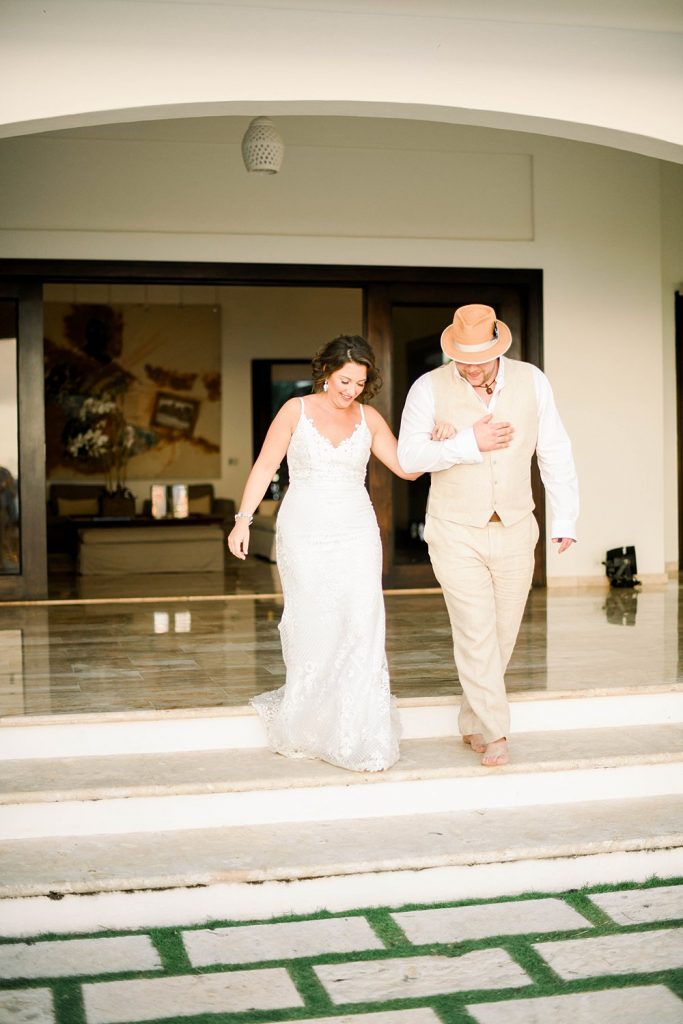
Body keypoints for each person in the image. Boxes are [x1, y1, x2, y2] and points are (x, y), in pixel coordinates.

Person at [228, 335, 454, 773]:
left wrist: (439, 438)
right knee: (313, 618)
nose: (350, 390)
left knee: (361, 619)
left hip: (355, 529)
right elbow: (265, 464)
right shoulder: (295, 410)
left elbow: (407, 468)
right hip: (304, 529)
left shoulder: (369, 418)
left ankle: (358, 727)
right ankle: (310, 719)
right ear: (326, 372)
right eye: (344, 380)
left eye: (359, 383)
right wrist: (243, 518)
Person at [397, 304, 578, 767]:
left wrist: (565, 519)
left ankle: (472, 719)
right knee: (475, 630)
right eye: (464, 360)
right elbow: (409, 458)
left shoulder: (532, 381)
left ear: (499, 347)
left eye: (481, 359)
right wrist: (463, 444)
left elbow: (553, 450)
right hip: (455, 530)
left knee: (502, 634)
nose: (472, 369)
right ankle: (496, 732)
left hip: (518, 526)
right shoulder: (428, 388)